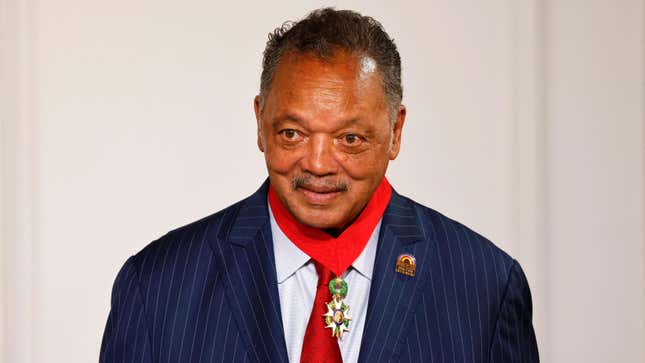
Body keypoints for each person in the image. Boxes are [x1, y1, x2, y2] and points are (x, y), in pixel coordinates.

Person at [100, 7, 539, 363]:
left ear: (395, 132)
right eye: (292, 133)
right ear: (259, 121)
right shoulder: (156, 286)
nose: (318, 163)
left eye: (350, 139)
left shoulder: (485, 287)